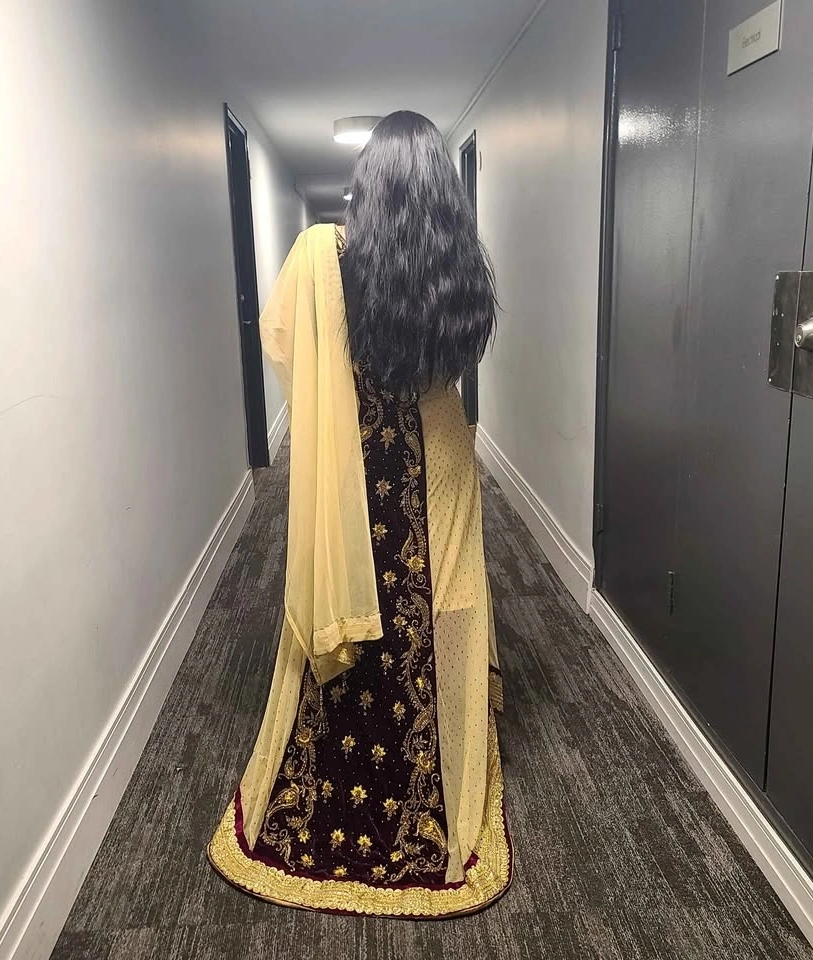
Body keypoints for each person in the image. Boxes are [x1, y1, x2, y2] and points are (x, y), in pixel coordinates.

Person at [208, 110, 511, 917]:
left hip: (356, 459)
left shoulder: (324, 257)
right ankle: (441, 772)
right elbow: (455, 366)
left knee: (353, 588)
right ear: (442, 189)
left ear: (366, 186)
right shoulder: (460, 269)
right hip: (440, 450)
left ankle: (339, 779)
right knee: (442, 601)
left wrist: (333, 394)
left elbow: (282, 341)